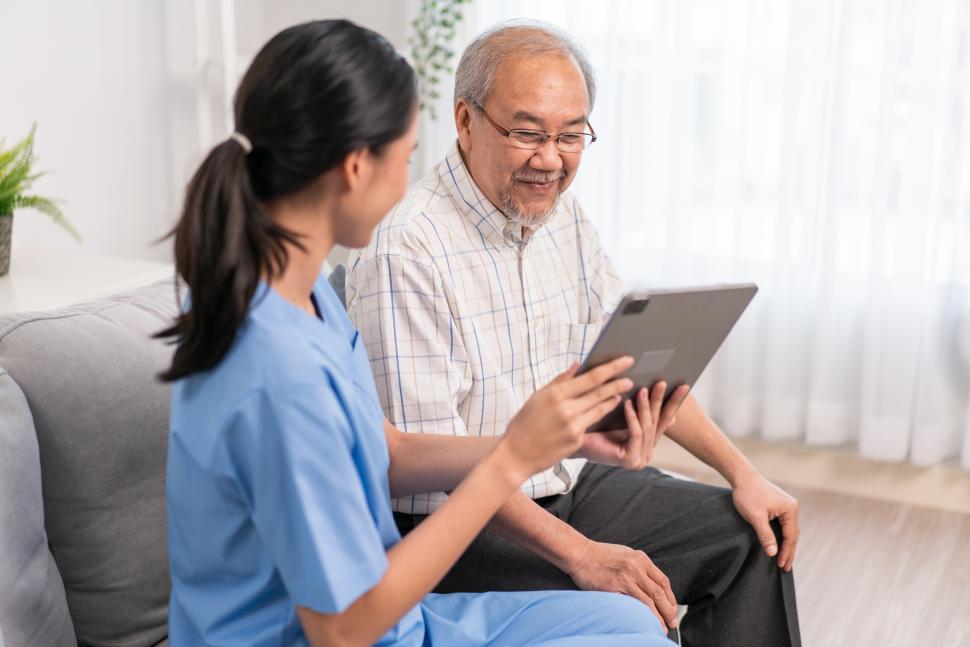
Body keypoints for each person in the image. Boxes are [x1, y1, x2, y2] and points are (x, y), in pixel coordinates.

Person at [159, 19, 678, 647]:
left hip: (405, 622)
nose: (411, 182)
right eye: (404, 158)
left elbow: (391, 452)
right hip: (341, 632)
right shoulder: (274, 374)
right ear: (356, 166)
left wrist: (543, 443)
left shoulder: (307, 292)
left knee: (629, 621)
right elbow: (343, 628)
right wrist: (510, 459)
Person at [346, 20, 803, 647]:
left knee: (749, 532)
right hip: (464, 529)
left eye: (570, 136)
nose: (551, 159)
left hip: (568, 484)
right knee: (631, 598)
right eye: (528, 133)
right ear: (465, 119)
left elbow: (636, 367)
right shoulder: (407, 253)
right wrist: (583, 555)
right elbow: (433, 470)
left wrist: (743, 472)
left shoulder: (561, 215)